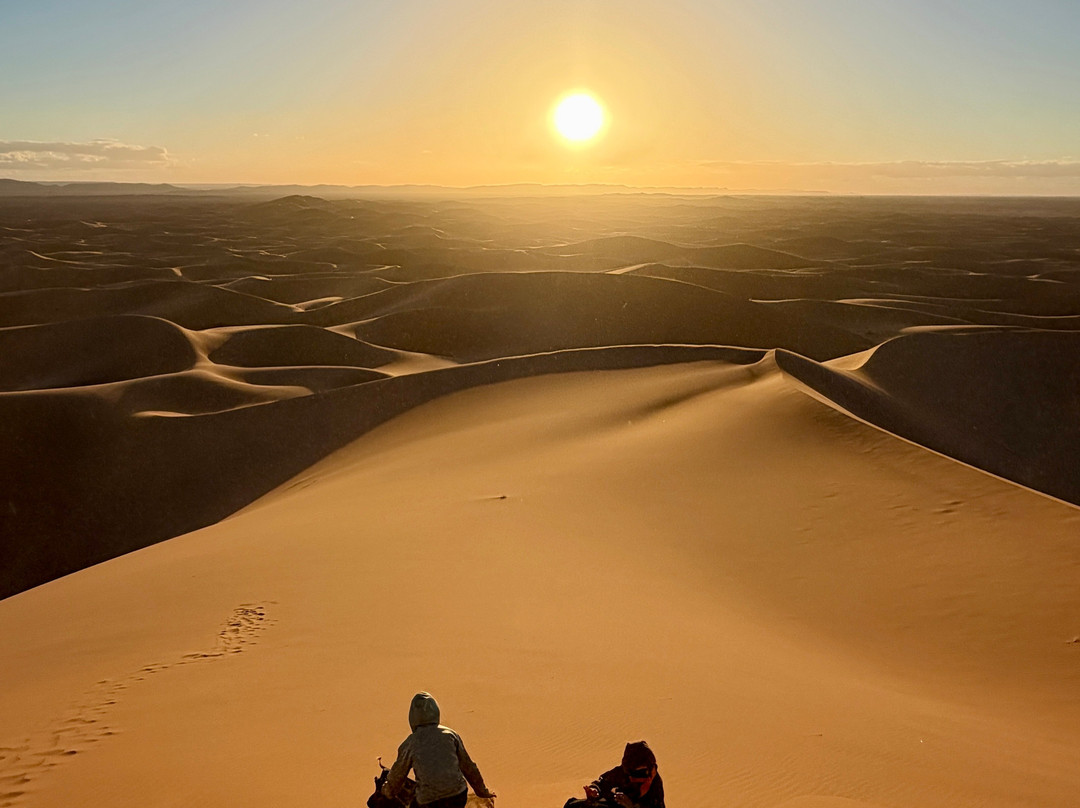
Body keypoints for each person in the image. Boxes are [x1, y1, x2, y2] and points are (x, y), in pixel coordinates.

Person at [382, 691, 496, 808]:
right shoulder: (450, 734)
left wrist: (387, 791)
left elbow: (397, 774)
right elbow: (468, 766)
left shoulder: (410, 743)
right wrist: (481, 791)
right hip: (458, 796)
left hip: (429, 802)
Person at [563, 741, 664, 808]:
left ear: (652, 771)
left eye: (638, 773)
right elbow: (603, 781)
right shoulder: (623, 772)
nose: (631, 778)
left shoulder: (655, 788)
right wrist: (595, 790)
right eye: (629, 772)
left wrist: (632, 806)